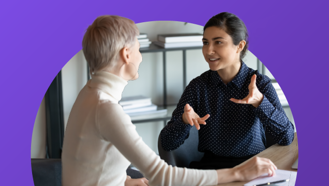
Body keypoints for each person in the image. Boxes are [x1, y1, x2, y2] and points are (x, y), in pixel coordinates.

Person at [61, 15, 277, 186]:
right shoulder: (106, 109)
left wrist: (123, 181)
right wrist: (239, 172)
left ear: (239, 46)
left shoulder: (88, 94)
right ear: (126, 54)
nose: (141, 55)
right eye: (138, 47)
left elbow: (91, 165)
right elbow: (163, 174)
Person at [160, 12, 295, 170]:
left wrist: (260, 102)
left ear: (240, 46)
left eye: (218, 42)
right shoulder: (198, 87)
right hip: (212, 170)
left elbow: (287, 137)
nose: (209, 50)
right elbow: (166, 143)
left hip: (254, 167)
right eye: (205, 42)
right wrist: (183, 121)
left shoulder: (260, 84)